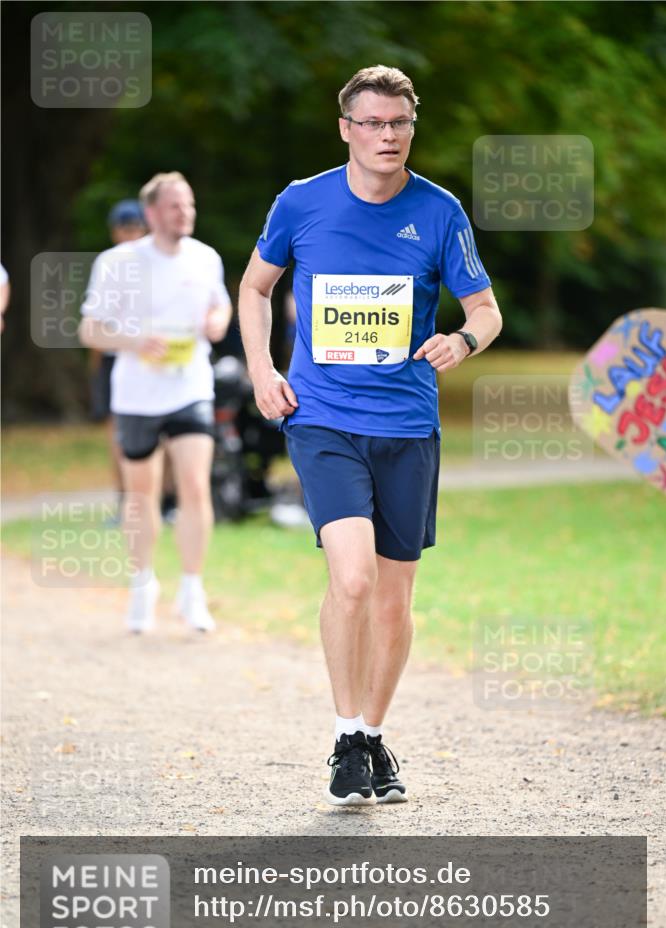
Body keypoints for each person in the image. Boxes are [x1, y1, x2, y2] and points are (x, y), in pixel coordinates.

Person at [239, 66, 502, 805]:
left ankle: (371, 737)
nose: (387, 136)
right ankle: (342, 732)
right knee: (350, 579)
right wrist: (261, 369)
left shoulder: (439, 210)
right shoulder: (302, 202)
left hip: (407, 424)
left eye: (399, 124)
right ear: (346, 129)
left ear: (411, 128)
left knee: (392, 599)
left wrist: (463, 341)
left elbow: (484, 308)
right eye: (373, 123)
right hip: (322, 416)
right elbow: (254, 287)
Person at [79, 172, 232, 633]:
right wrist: (135, 341)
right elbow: (90, 330)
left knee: (194, 487)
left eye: (189, 205)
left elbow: (220, 305)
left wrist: (217, 321)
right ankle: (142, 584)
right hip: (137, 395)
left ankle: (192, 588)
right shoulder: (117, 262)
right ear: (151, 213)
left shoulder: (206, 258)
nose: (184, 213)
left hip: (191, 387)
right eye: (174, 206)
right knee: (141, 494)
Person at [89, 201, 148, 518]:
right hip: (122, 358)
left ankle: (144, 501)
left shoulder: (115, 262)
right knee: (122, 433)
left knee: (139, 432)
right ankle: (129, 501)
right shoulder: (115, 264)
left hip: (143, 357)